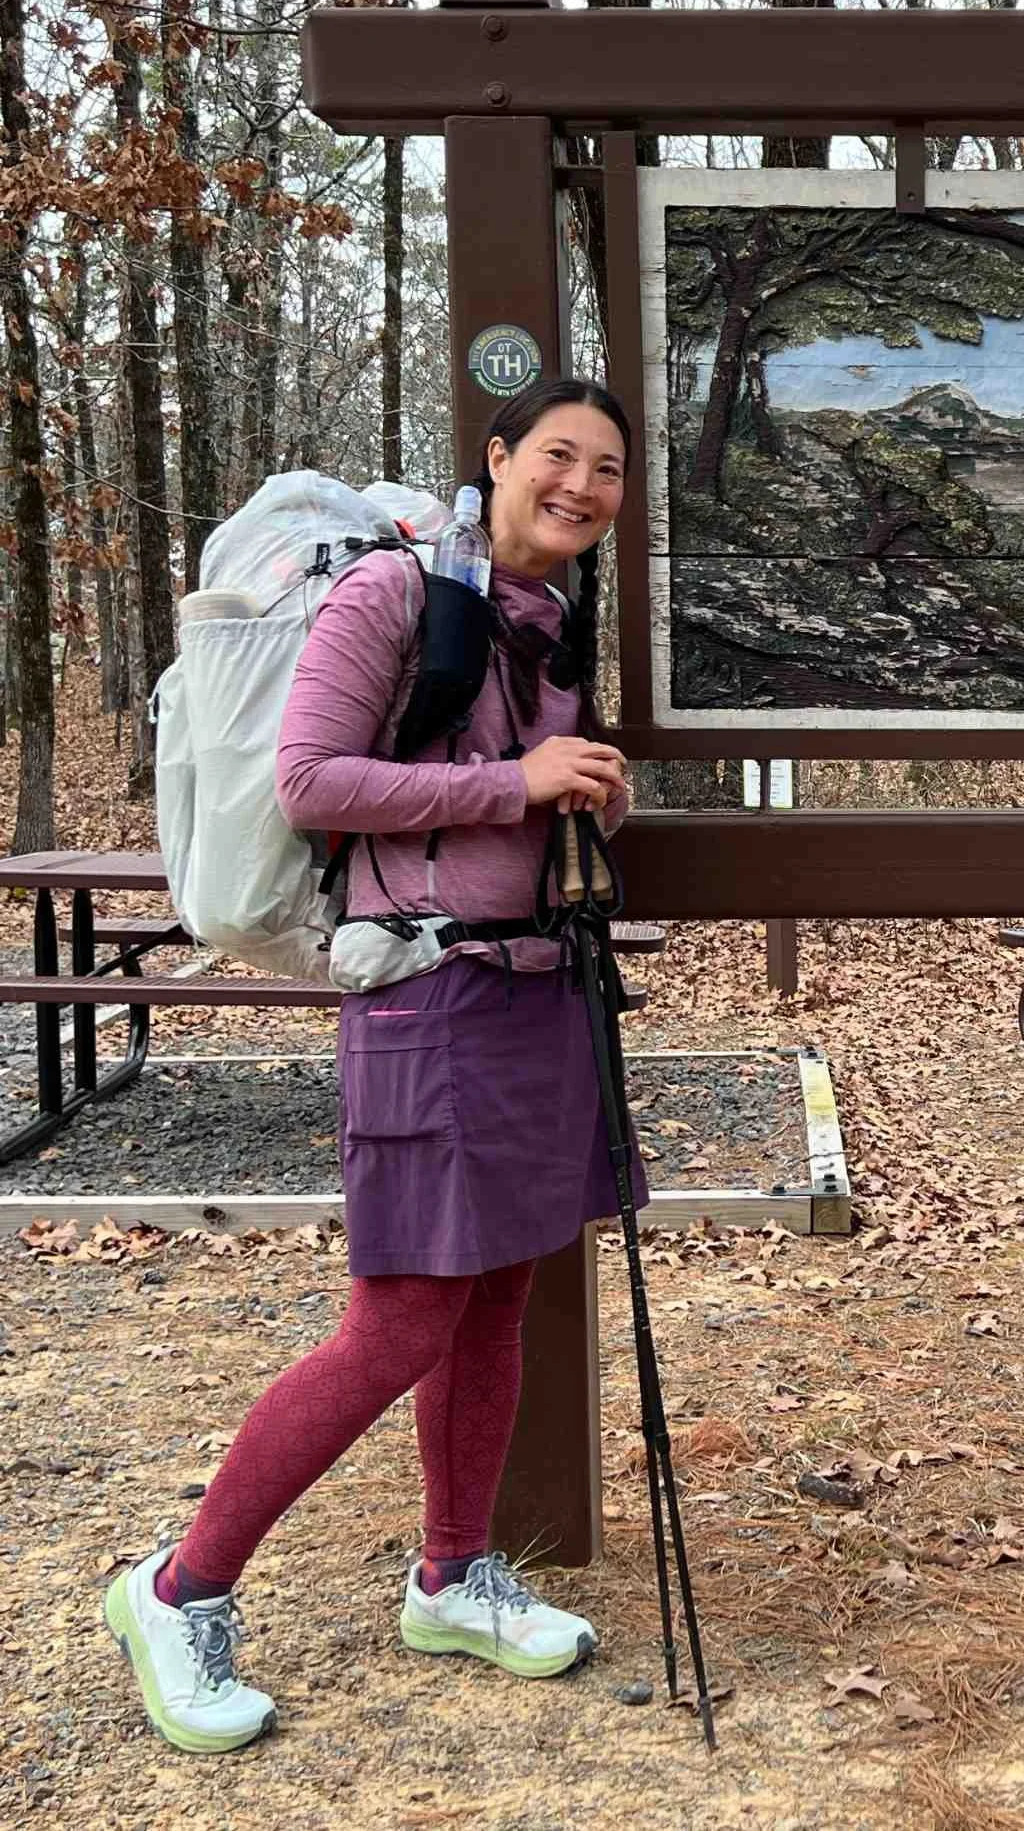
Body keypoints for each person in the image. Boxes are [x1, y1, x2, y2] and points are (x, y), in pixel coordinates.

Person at [103, 377, 640, 1754]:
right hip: (424, 998)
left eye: (607, 472)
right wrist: (512, 786)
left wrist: (579, 790)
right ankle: (178, 1588)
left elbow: (506, 790)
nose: (579, 487)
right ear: (501, 460)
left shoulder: (545, 624)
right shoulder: (394, 598)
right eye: (557, 457)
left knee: (498, 1309)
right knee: (399, 1325)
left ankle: (453, 1577)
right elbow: (313, 783)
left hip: (530, 996)